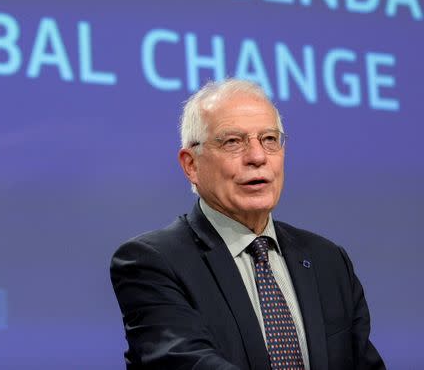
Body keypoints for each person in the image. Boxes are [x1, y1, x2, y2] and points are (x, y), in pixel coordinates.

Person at [110, 79, 384, 369]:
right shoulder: (152, 262)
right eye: (232, 142)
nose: (257, 157)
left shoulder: (327, 260)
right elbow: (187, 362)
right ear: (191, 165)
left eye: (269, 139)